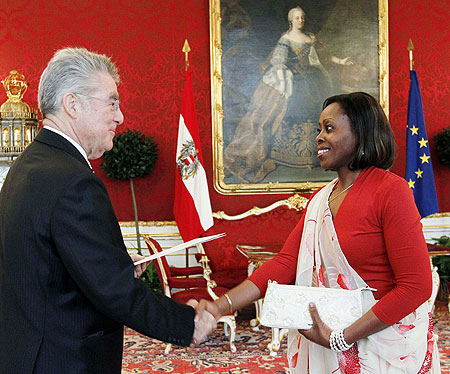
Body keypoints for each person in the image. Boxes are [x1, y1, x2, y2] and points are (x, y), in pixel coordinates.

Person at [0, 47, 216, 374]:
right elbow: (112, 291)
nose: (120, 116)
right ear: (72, 104)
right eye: (112, 102)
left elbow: (48, 267)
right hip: (63, 359)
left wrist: (113, 265)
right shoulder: (73, 180)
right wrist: (187, 324)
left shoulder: (29, 165)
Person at [203, 92, 439, 373]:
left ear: (361, 133)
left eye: (329, 128)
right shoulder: (320, 199)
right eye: (319, 129)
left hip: (381, 348)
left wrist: (341, 337)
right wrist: (220, 306)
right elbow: (284, 264)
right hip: (328, 342)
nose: (318, 137)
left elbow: (416, 286)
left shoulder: (391, 191)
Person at [224, 6, 352, 183]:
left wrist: (341, 60)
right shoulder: (286, 39)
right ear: (291, 20)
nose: (300, 21)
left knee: (318, 110)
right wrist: (284, 71)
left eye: (302, 18)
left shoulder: (310, 38)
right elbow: (278, 60)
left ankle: (313, 154)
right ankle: (287, 152)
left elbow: (324, 56)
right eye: (297, 18)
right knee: (293, 106)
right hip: (294, 78)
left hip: (312, 78)